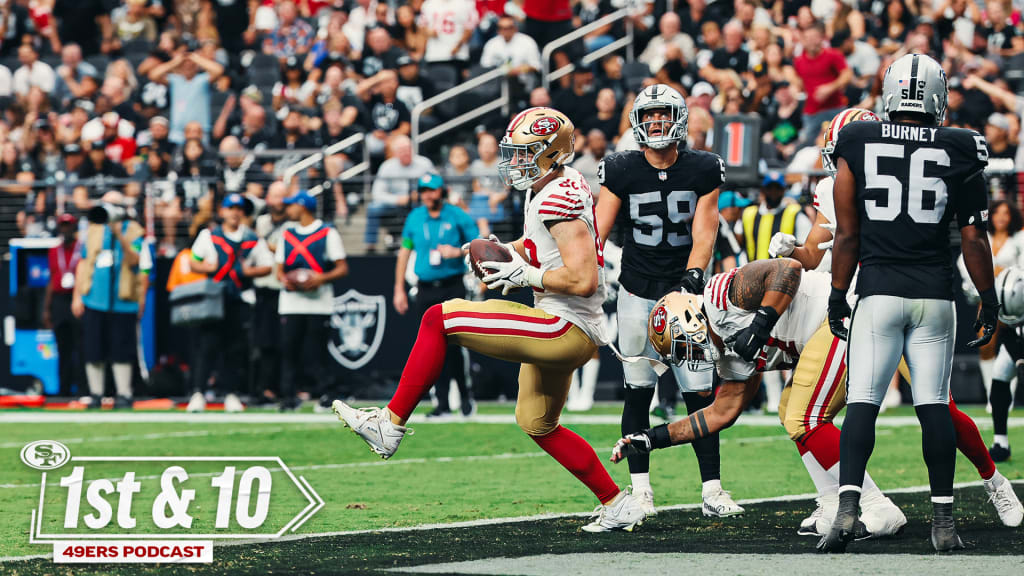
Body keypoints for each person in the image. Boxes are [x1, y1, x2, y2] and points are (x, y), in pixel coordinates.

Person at [333, 107, 648, 533]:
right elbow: (541, 245)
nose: (515, 162)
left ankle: (389, 425)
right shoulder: (548, 186)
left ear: (552, 153)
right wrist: (509, 251)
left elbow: (585, 278)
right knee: (537, 422)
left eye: (525, 153)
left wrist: (528, 275)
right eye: (513, 153)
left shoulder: (560, 194)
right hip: (564, 323)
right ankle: (616, 502)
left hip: (565, 326)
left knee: (437, 318)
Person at [768, 107, 1023, 535]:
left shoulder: (891, 174)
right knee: (810, 412)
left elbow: (855, 239)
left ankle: (992, 483)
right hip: (863, 299)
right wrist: (793, 250)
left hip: (877, 296)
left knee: (936, 408)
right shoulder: (835, 186)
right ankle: (839, 501)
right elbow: (818, 250)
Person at [821, 54, 999, 552]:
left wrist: (838, 294)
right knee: (932, 408)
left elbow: (848, 236)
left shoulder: (856, 138)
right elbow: (974, 236)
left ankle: (846, 513)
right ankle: (943, 525)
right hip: (935, 296)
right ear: (937, 97)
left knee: (862, 405)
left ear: (889, 94)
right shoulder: (961, 146)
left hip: (878, 290)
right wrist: (987, 298)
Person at [594, 84, 740, 518]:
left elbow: (705, 228)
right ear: (638, 122)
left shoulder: (702, 168)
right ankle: (641, 491)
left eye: (662, 115)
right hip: (637, 289)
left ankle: (712, 489)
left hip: (683, 291)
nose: (655, 123)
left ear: (678, 119)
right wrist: (589, 268)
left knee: (699, 393)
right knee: (639, 389)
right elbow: (599, 228)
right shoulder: (620, 168)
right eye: (648, 116)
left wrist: (694, 274)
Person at [394, 173, 479, 418]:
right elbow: (404, 252)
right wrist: (399, 287)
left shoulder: (457, 215)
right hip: (425, 288)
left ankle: (465, 397)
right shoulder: (415, 217)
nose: (428, 195)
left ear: (442, 191)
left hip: (452, 286)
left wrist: (458, 252)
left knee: (456, 344)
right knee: (431, 348)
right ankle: (441, 402)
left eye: (432, 190)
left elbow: (478, 245)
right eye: (424, 191)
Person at [187, 193, 272, 413]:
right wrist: (207, 267)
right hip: (214, 299)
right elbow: (193, 261)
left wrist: (248, 271)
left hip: (240, 298)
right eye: (231, 208)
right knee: (207, 346)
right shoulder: (209, 236)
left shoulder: (252, 238)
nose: (235, 212)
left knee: (234, 348)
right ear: (223, 211)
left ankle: (231, 393)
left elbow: (267, 266)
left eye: (239, 209)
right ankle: (198, 392)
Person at [71, 192, 151, 409]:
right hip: (95, 298)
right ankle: (95, 393)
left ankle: (123, 393)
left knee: (121, 348)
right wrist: (77, 295)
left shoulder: (134, 231)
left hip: (123, 299)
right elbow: (83, 262)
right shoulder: (93, 229)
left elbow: (136, 260)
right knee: (93, 347)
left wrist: (119, 235)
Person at [275, 190, 348, 411]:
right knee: (289, 350)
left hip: (319, 301)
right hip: (291, 302)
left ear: (303, 206)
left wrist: (320, 278)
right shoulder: (286, 234)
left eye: (291, 205)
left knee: (317, 351)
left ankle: (326, 394)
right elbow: (279, 268)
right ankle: (288, 395)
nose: (287, 210)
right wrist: (285, 280)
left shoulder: (327, 233)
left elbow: (342, 267)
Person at [252, 182, 290, 406]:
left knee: (285, 342)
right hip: (262, 287)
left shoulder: (292, 224)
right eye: (274, 196)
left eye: (281, 197)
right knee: (264, 341)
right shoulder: (262, 221)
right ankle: (265, 386)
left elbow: (288, 249)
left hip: (282, 288)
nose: (278, 201)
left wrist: (266, 244)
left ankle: (284, 387)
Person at [43, 214, 83, 397]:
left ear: (74, 227)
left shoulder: (82, 248)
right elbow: (52, 279)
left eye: (69, 226)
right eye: (63, 226)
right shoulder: (54, 251)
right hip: (60, 300)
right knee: (62, 348)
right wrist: (46, 308)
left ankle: (83, 388)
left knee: (81, 346)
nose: (65, 229)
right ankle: (63, 390)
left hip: (77, 299)